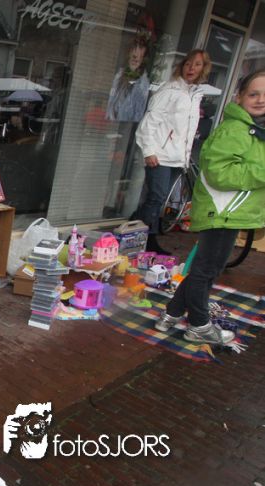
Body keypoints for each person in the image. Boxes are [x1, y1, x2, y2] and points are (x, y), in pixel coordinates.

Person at [155, 70, 265, 345]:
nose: (261, 100)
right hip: (223, 212)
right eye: (254, 94)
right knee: (206, 272)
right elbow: (220, 173)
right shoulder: (235, 130)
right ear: (239, 97)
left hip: (229, 213)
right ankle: (199, 325)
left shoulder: (252, 131)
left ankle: (171, 314)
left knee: (203, 269)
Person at [134, 49, 212, 254]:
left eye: (197, 64)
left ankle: (132, 231)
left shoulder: (195, 94)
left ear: (204, 69)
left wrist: (185, 157)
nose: (191, 68)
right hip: (160, 156)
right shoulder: (169, 90)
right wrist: (149, 151)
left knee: (158, 200)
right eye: (188, 63)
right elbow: (149, 122)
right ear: (182, 65)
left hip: (177, 158)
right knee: (156, 197)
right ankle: (146, 240)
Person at [106, 37, 151, 123]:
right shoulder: (119, 75)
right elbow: (111, 102)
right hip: (112, 123)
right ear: (129, 54)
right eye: (134, 55)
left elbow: (138, 114)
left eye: (140, 56)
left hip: (126, 126)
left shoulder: (143, 84)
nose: (136, 59)